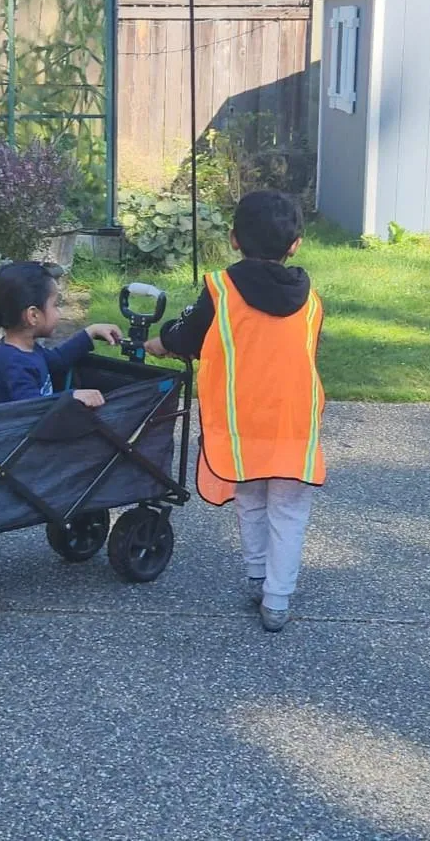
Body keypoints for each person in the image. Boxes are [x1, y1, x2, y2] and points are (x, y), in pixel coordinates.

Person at [144, 190, 325, 633]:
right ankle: (277, 601)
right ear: (295, 244)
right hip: (294, 424)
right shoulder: (311, 301)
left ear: (233, 239)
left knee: (250, 499)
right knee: (289, 509)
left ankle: (257, 576)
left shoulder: (221, 290)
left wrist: (160, 342)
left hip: (242, 424)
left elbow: (184, 336)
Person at [0, 261, 122, 407]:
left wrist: (90, 332)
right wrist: (71, 397)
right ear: (33, 315)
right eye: (55, 305)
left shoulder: (26, 349)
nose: (59, 313)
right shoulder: (14, 363)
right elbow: (32, 409)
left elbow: (57, 360)